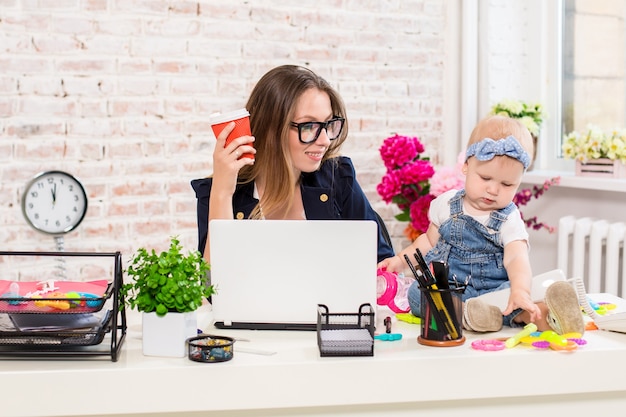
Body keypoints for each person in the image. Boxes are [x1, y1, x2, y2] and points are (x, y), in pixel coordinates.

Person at [378, 115, 584, 335]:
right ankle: (475, 316)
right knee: (416, 296)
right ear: (466, 166)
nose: (493, 190)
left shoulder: (508, 219)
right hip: (450, 292)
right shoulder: (446, 204)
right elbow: (428, 241)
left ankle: (548, 316)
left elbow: (517, 258)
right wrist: (400, 261)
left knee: (514, 296)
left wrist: (520, 290)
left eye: (506, 184)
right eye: (485, 178)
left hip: (493, 292)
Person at [191, 64, 394, 264]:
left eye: (329, 124)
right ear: (271, 129)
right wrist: (222, 192)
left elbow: (383, 267)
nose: (325, 140)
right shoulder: (218, 192)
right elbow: (212, 289)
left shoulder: (337, 178)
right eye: (309, 126)